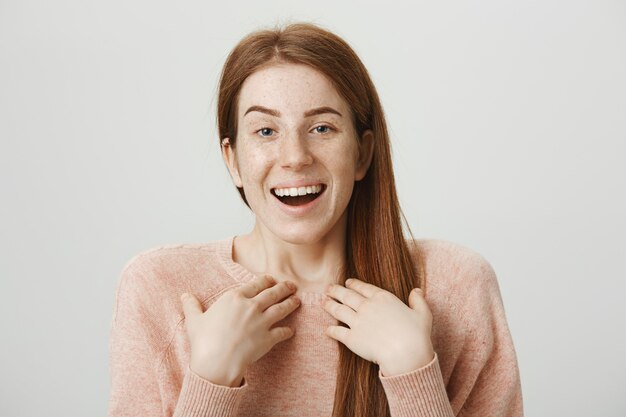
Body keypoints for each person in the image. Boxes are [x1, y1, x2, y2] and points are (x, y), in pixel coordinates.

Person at [107, 22, 523, 417]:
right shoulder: (160, 288)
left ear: (362, 153)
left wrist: (413, 370)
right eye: (266, 131)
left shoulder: (456, 286)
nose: (295, 157)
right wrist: (210, 379)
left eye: (322, 128)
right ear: (232, 161)